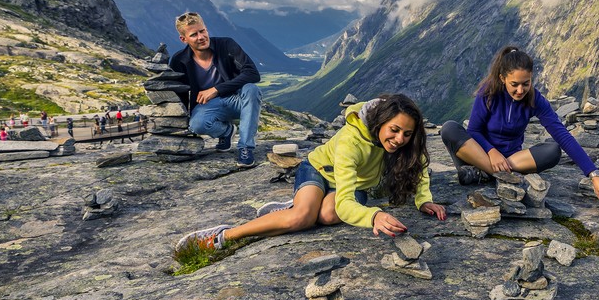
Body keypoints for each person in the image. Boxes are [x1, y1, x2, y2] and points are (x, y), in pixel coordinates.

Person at [174, 94, 446, 252]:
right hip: (318, 170)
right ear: (380, 123)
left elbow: (417, 167)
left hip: (348, 187)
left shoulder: (405, 143)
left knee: (327, 216)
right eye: (394, 130)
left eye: (407, 134)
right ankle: (224, 236)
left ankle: (292, 207)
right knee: (303, 218)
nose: (400, 139)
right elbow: (348, 204)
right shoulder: (352, 141)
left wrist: (424, 200)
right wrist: (374, 215)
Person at [440, 46, 599, 204]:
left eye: (525, 84)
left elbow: (561, 134)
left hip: (513, 159)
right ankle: (496, 173)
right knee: (449, 128)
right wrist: (491, 152)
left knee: (552, 151)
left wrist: (595, 175)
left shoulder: (535, 99)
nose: (520, 90)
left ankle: (482, 174)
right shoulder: (488, 93)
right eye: (514, 84)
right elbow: (474, 131)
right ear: (502, 78)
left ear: (531, 77)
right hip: (481, 153)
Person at [169, 12, 262, 168]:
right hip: (210, 106)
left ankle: (245, 148)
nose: (201, 37)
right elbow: (180, 93)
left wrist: (216, 89)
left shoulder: (226, 45)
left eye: (202, 31)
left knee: (252, 89)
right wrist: (184, 121)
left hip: (238, 100)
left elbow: (252, 73)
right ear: (183, 39)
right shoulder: (179, 60)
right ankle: (226, 131)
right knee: (197, 125)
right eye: (194, 34)